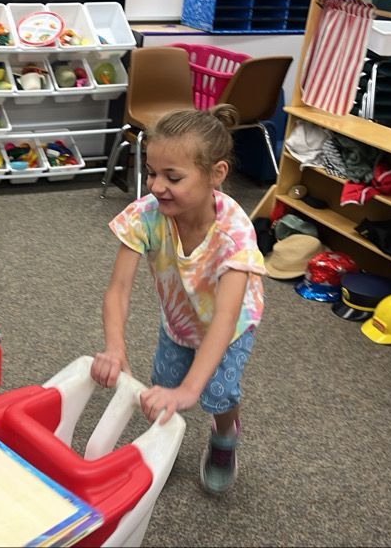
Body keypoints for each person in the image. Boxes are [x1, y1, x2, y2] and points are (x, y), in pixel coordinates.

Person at [92, 105, 265, 495]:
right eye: (152, 172)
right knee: (162, 387)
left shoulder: (235, 233)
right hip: (180, 317)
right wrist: (115, 348)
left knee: (217, 393)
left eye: (173, 177)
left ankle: (225, 436)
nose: (156, 186)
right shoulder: (147, 215)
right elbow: (118, 289)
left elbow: (224, 318)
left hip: (231, 325)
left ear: (216, 174)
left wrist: (190, 391)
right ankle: (163, 444)